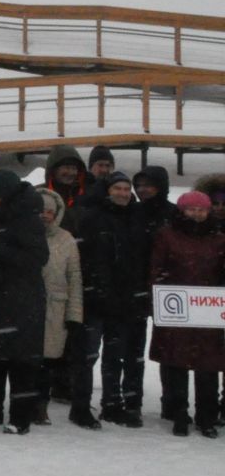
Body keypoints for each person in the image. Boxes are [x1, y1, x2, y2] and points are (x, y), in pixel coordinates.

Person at [0, 167, 51, 435]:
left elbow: (38, 257)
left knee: (22, 361)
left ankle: (21, 417)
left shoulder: (27, 218)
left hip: (23, 298)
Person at [74, 169, 152, 427]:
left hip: (125, 299)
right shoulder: (92, 217)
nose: (123, 193)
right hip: (95, 298)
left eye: (126, 189)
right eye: (117, 189)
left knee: (115, 356)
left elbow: (140, 259)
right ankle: (81, 406)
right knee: (88, 356)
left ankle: (112, 404)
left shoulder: (137, 217)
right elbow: (84, 258)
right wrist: (93, 288)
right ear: (107, 191)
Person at [150, 191, 225, 437]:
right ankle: (179, 413)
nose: (196, 213)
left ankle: (207, 417)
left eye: (201, 209)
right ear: (182, 210)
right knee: (176, 365)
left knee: (209, 367)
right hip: (177, 311)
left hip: (208, 313)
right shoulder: (167, 235)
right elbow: (156, 268)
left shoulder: (219, 239)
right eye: (191, 209)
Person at [32, 187, 85, 429]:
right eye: (41, 210)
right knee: (26, 360)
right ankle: (24, 404)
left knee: (47, 362)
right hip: (27, 306)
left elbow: (74, 278)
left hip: (56, 307)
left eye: (50, 211)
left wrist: (74, 315)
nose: (45, 215)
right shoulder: (24, 234)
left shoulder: (66, 240)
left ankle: (41, 407)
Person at [44, 145, 89, 210]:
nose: (71, 172)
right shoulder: (41, 195)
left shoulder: (86, 195)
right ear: (54, 170)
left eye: (74, 168)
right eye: (66, 167)